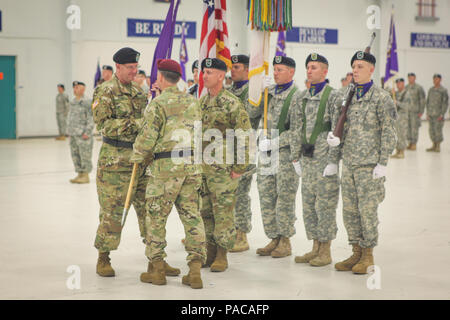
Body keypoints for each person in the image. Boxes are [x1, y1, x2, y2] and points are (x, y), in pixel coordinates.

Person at [92, 47, 179, 277]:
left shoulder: (139, 92)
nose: (134, 71)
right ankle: (104, 257)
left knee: (150, 212)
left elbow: (149, 121)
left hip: (140, 162)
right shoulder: (105, 92)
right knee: (112, 212)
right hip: (115, 163)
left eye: (135, 68)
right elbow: (104, 125)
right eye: (130, 68)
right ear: (118, 67)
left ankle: (156, 260)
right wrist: (137, 123)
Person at [130, 59, 206, 289]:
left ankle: (158, 269)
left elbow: (147, 139)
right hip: (192, 167)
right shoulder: (193, 103)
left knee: (155, 217)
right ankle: (194, 271)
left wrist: (137, 157)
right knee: (192, 216)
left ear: (161, 78)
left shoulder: (158, 104)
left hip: (166, 169)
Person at [327, 51, 397, 274]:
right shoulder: (347, 96)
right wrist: (334, 141)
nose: (355, 70)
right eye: (353, 67)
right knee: (350, 211)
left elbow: (389, 132)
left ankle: (368, 254)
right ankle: (355, 250)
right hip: (349, 162)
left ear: (371, 70)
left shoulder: (381, 98)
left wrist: (382, 162)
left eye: (360, 66)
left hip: (369, 166)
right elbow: (340, 125)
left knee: (367, 211)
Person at [199, 57, 251, 272]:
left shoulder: (231, 103)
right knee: (206, 212)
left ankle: (222, 254)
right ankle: (210, 251)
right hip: (204, 169)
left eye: (209, 72)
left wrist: (239, 168)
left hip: (223, 169)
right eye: (203, 72)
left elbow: (244, 135)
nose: (205, 75)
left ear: (221, 76)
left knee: (223, 213)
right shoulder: (201, 102)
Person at [290, 53, 340, 267]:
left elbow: (338, 131)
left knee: (325, 205)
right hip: (307, 159)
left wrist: (333, 161)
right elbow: (295, 127)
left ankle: (325, 250)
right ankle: (315, 248)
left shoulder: (333, 97)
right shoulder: (301, 96)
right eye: (308, 67)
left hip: (324, 161)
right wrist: (294, 158)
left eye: (315, 67)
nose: (310, 71)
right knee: (309, 205)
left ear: (325, 71)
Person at [256, 56, 302, 258]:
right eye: (274, 69)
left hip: (285, 154)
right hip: (266, 154)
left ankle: (285, 240)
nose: (275, 73)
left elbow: (299, 131)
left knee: (284, 197)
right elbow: (252, 113)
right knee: (266, 196)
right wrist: (259, 92)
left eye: (280, 70)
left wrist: (276, 142)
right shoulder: (269, 93)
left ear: (291, 72)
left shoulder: (297, 96)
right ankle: (273, 237)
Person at [227, 54, 262, 253]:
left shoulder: (253, 92)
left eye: (237, 67)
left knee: (240, 194)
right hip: (226, 150)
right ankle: (230, 231)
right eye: (232, 67)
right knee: (228, 193)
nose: (232, 70)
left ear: (248, 70)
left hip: (244, 150)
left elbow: (249, 116)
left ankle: (242, 234)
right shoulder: (230, 90)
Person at [67, 82, 94, 183]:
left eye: (77, 87)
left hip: (83, 134)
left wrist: (87, 132)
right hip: (74, 134)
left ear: (82, 89)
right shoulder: (73, 101)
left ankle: (85, 176)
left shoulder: (87, 102)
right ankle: (80, 174)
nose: (74, 89)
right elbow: (71, 117)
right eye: (74, 87)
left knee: (84, 155)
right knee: (75, 155)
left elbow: (91, 118)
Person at [425, 74, 449, 152]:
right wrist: (427, 113)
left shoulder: (443, 90)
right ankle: (434, 145)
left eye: (437, 79)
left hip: (438, 115)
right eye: (434, 79)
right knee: (431, 130)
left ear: (440, 80)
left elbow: (445, 103)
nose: (435, 81)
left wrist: (442, 114)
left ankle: (438, 146)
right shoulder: (431, 90)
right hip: (431, 114)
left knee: (438, 130)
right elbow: (428, 102)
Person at [405, 73, 426, 151]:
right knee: (408, 128)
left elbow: (422, 100)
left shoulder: (419, 88)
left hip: (415, 112)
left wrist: (421, 111)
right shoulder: (406, 87)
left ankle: (414, 144)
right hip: (407, 112)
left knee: (414, 128)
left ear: (415, 78)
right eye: (409, 78)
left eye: (412, 78)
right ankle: (410, 143)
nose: (410, 79)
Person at [391, 78, 409, 159]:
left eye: (400, 83)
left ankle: (402, 152)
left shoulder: (406, 94)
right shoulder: (397, 93)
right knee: (397, 135)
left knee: (402, 135)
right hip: (396, 118)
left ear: (403, 84)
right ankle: (398, 151)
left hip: (403, 118)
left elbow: (406, 106)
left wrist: (397, 102)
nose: (398, 85)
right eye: (397, 84)